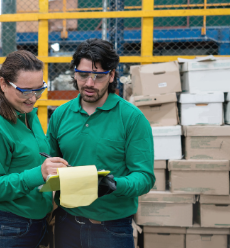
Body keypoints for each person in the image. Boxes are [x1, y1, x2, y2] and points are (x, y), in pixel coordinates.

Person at [46, 38, 155, 248]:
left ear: (112, 75)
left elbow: (145, 177)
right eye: (83, 75)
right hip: (66, 224)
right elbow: (49, 161)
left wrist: (114, 184)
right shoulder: (60, 115)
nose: (89, 83)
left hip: (111, 229)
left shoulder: (131, 118)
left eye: (98, 76)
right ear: (74, 73)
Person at [0, 50, 69, 248]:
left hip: (35, 224)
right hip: (4, 228)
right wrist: (39, 173)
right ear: (3, 84)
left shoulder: (28, 115)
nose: (33, 99)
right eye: (24, 91)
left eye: (38, 90)